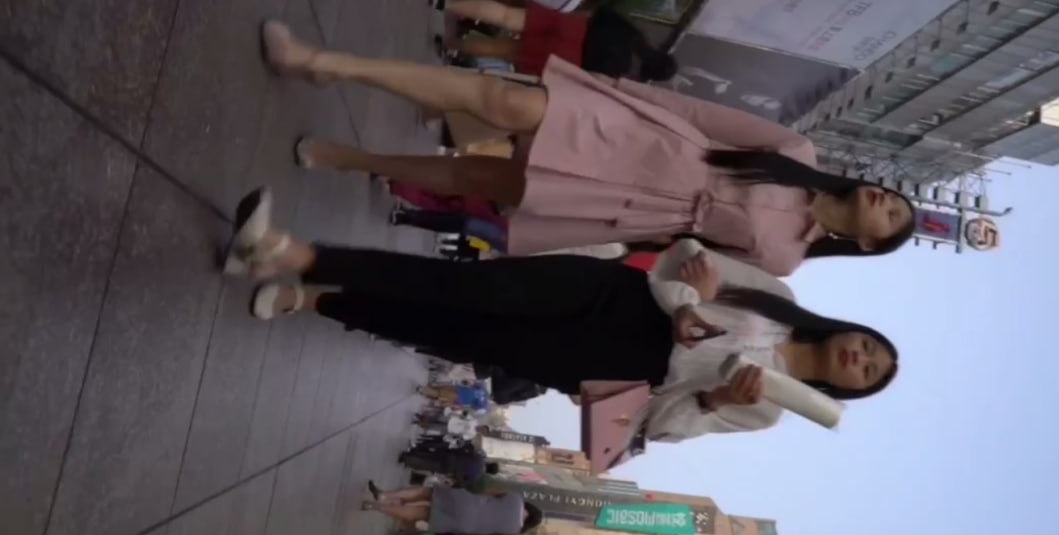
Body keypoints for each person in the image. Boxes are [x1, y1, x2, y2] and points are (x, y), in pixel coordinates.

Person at [221, 191, 901, 442]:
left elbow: (660, 424)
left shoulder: (766, 412)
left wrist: (715, 398)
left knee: (447, 331)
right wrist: (692, 299)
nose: (860, 357)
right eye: (870, 347)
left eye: (868, 372)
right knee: (460, 288)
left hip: (609, 363)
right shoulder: (777, 299)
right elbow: (683, 259)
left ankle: (314, 298)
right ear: (854, 330)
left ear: (848, 389)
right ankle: (293, 253)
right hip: (612, 298)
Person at [257, 23, 918, 276]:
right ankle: (328, 62)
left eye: (889, 216)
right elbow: (702, 115)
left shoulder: (783, 260)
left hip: (633, 206)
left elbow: (686, 259)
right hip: (646, 136)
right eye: (892, 197)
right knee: (503, 101)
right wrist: (619, 92)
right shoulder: (799, 151)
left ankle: (350, 159)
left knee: (478, 179)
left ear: (866, 243)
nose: (882, 200)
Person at [429, 0, 677, 82]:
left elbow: (604, 13)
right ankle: (450, 45)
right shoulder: (626, 74)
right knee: (504, 50)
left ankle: (447, 3)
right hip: (569, 57)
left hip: (575, 27)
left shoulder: (636, 37)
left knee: (507, 15)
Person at [363, 483, 542, 535]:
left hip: (467, 502)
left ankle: (385, 495)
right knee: (419, 514)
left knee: (424, 492)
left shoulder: (516, 498)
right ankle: (374, 507)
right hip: (465, 525)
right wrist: (482, 532)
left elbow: (487, 492)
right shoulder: (514, 532)